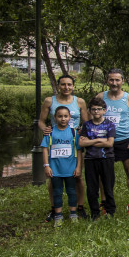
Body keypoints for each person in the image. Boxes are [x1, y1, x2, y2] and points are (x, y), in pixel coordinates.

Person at [37, 73, 89, 220]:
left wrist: (82, 132)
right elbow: (41, 121)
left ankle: (79, 207)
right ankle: (54, 209)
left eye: (69, 84)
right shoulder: (49, 101)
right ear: (58, 85)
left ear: (73, 86)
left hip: (73, 143)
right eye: (63, 84)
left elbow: (86, 122)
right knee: (53, 178)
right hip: (56, 143)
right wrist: (45, 130)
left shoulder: (79, 102)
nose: (66, 87)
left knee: (77, 176)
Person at [96, 69, 129, 215]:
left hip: (124, 141)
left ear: (122, 81)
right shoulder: (100, 97)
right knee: (103, 174)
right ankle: (104, 202)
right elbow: (90, 114)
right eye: (111, 80)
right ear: (107, 81)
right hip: (104, 141)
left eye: (117, 80)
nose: (114, 83)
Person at [41, 106, 83, 226]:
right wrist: (46, 166)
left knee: (71, 191)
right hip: (55, 170)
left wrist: (78, 167)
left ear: (70, 117)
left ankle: (73, 213)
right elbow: (44, 149)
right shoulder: (50, 133)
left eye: (65, 116)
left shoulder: (73, 132)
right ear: (55, 118)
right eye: (60, 116)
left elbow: (79, 150)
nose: (63, 119)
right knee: (57, 191)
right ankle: (58, 215)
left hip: (70, 169)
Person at [79, 97, 116, 219]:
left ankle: (110, 211)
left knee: (108, 186)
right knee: (92, 188)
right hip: (90, 159)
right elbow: (81, 143)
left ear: (104, 110)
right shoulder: (86, 125)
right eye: (93, 109)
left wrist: (90, 141)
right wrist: (100, 139)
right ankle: (95, 213)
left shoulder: (109, 124)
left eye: (99, 109)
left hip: (106, 158)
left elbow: (109, 143)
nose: (96, 112)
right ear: (89, 111)